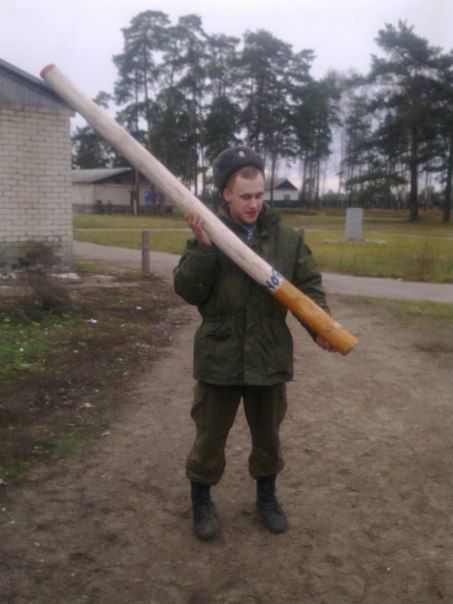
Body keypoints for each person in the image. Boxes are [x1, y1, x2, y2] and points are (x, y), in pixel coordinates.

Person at [173, 146, 335, 540]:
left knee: (268, 436)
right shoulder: (208, 233)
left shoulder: (286, 239)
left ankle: (267, 498)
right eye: (245, 196)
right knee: (209, 436)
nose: (254, 204)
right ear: (226, 194)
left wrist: (320, 326)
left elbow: (307, 287)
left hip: (268, 353)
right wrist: (204, 250)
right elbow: (188, 290)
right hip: (220, 354)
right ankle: (201, 500)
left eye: (260, 195)